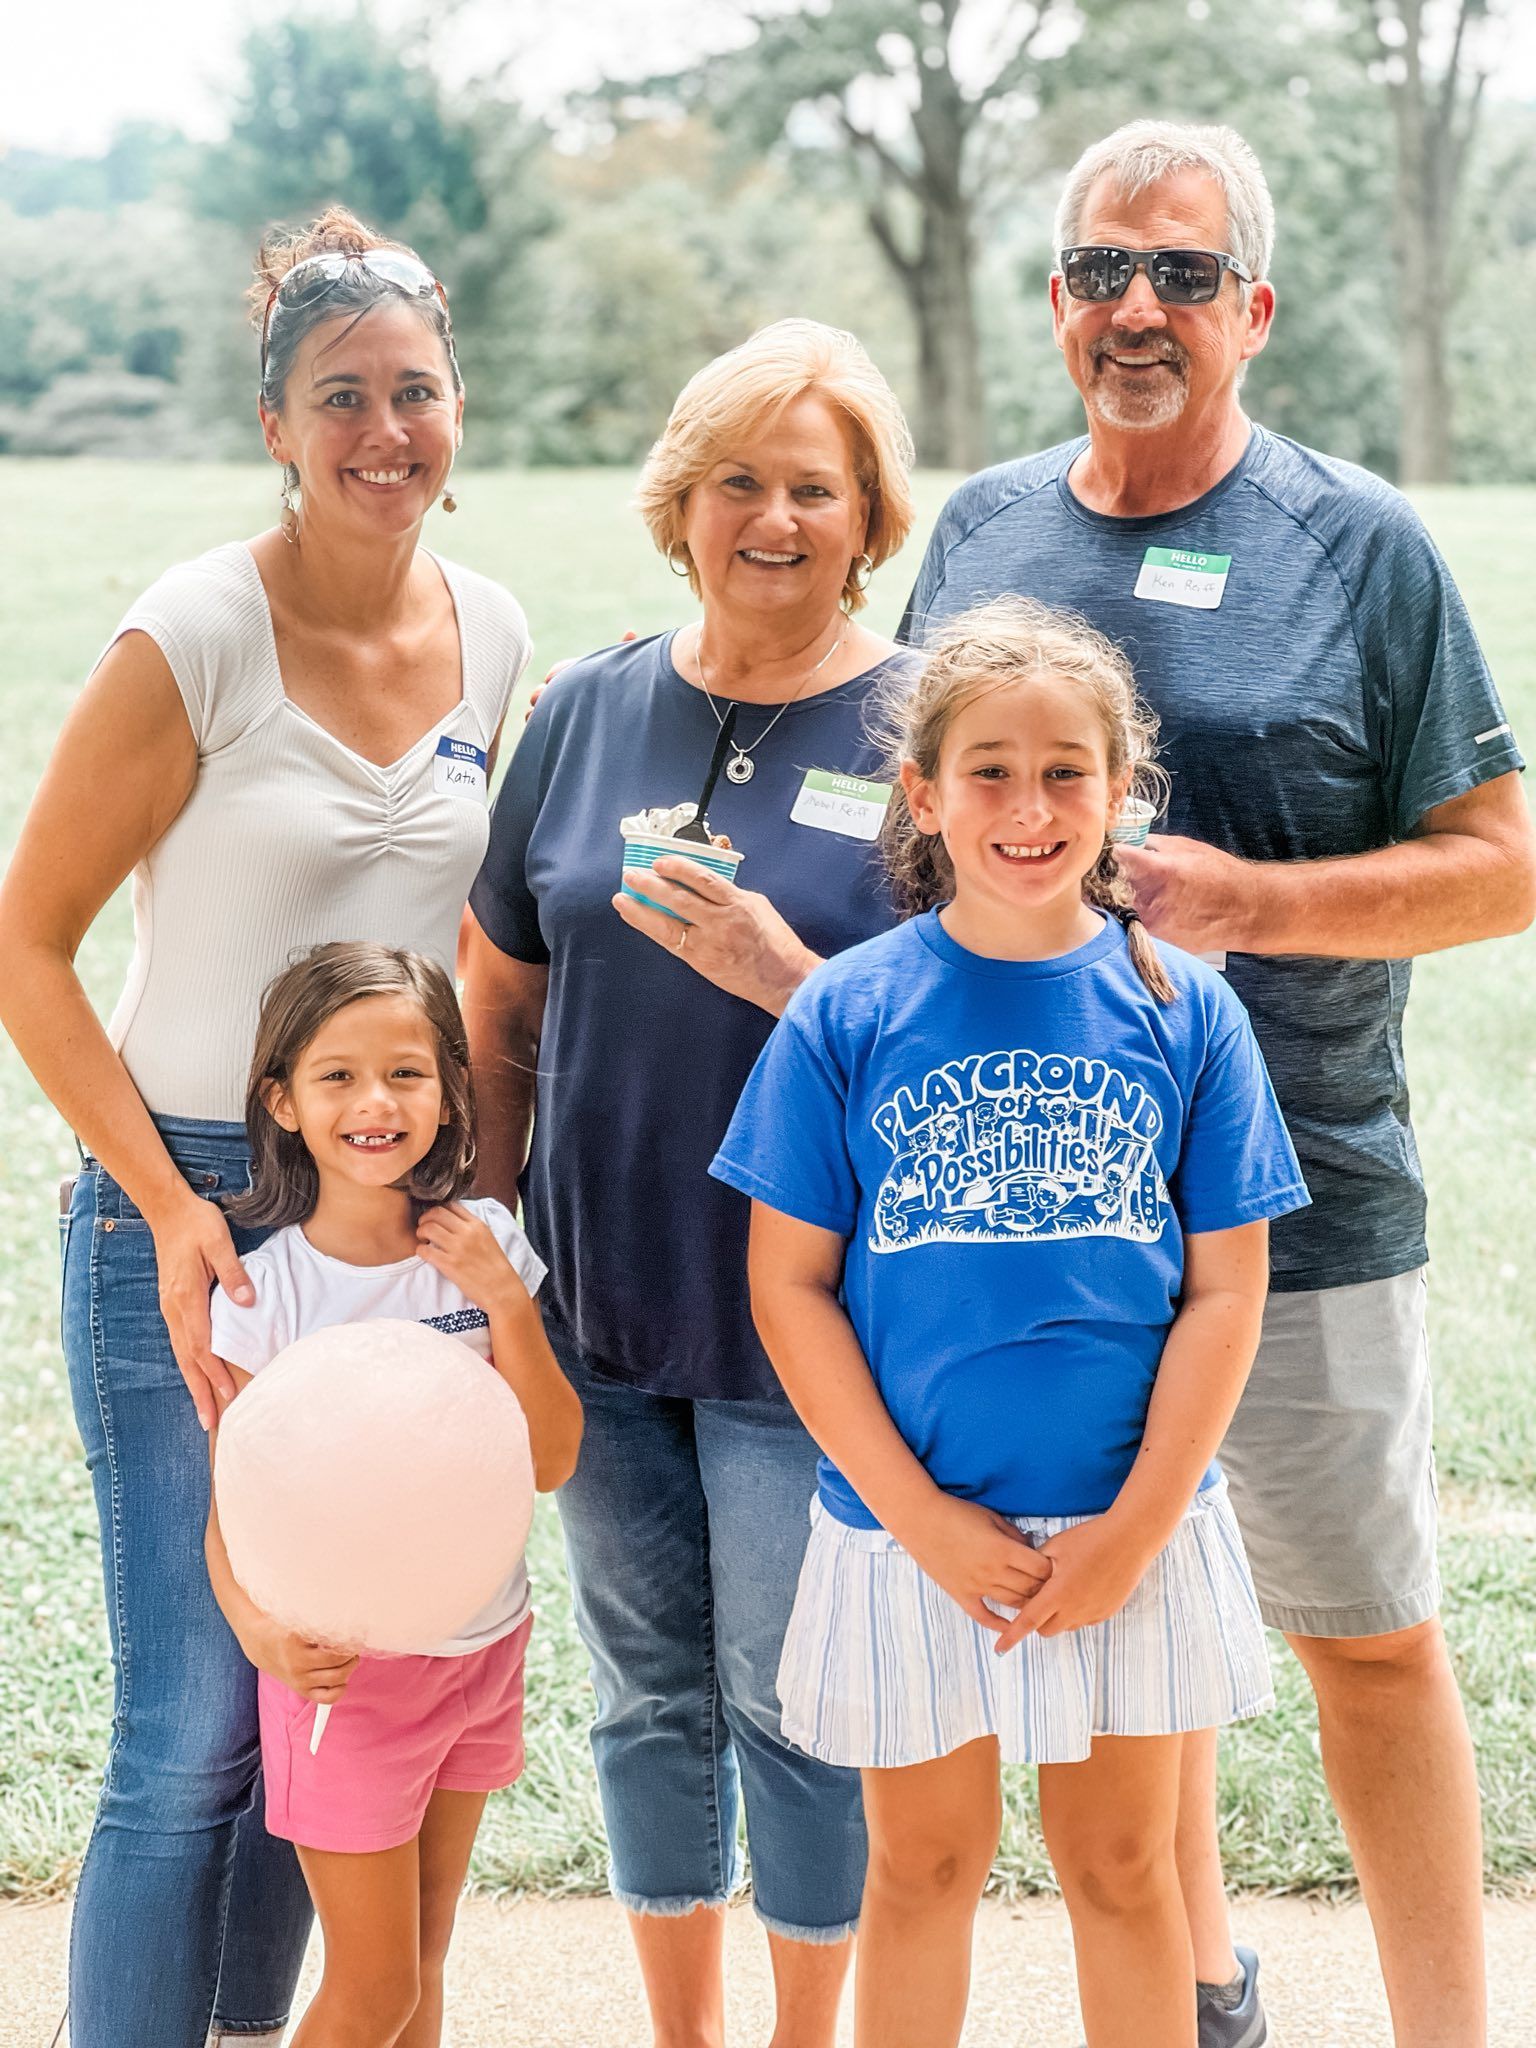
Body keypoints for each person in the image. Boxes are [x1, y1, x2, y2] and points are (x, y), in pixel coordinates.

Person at [898, 121, 1536, 2047]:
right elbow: (922, 846)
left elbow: (1504, 855)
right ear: (1057, 301)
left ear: (1252, 308)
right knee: (1119, 1651)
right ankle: (1204, 2000)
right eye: (1103, 269)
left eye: (1181, 274)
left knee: (1364, 1639)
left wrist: (1262, 900)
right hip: (1031, 1218)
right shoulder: (984, 535)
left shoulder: (1361, 543)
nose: (1138, 308)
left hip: (1308, 1193)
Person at [0, 207, 530, 2047]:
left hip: (384, 1204)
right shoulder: (199, 630)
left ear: (458, 405)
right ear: (274, 423)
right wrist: (161, 1204)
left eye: (414, 391)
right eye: (340, 399)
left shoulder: (496, 631)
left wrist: (473, 1196)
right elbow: (27, 943)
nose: (385, 429)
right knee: (195, 1719)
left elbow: (464, 946)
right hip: (199, 1199)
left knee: (339, 1681)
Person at [712, 597, 1308, 2048]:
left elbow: (1229, 1288)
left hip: (1129, 1528)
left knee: (1122, 1867)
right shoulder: (848, 1013)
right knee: (922, 1865)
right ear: (923, 792)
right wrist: (916, 1515)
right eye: (989, 768)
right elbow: (787, 1285)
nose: (1028, 806)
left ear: (1120, 795)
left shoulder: (1188, 1013)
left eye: (1065, 772)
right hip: (908, 1531)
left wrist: (1139, 1524)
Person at [463, 319, 917, 2048]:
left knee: (797, 1699)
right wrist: (494, 1238)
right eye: (741, 479)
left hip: (810, 1318)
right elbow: (498, 984)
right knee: (647, 1698)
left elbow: (979, 1023)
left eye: (816, 485)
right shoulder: (584, 707)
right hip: (595, 1297)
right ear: (683, 500)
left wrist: (793, 974)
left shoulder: (927, 725)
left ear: (868, 515)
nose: (776, 516)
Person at [204, 942, 581, 2048]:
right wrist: (258, 1628)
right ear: (282, 1098)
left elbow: (551, 1460)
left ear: (452, 1088)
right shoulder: (263, 1291)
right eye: (338, 1075)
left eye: (409, 1071)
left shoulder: (489, 1249)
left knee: (421, 1963)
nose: (377, 1101)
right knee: (374, 1992)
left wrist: (506, 1303)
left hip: (482, 1650)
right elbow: (236, 1504)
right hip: (347, 1681)